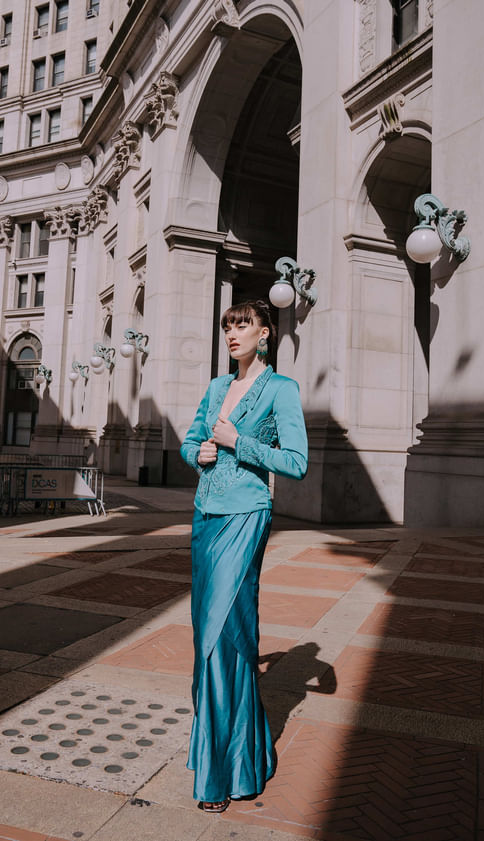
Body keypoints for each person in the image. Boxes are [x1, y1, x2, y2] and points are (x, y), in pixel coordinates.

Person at [180, 299, 308, 813]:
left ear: (264, 334)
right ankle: (240, 755)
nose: (232, 334)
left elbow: (296, 463)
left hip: (246, 515)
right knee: (214, 636)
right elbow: (190, 442)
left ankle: (220, 773)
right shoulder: (215, 388)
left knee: (219, 635)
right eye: (227, 327)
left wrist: (238, 443)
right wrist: (199, 453)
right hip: (204, 517)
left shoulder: (281, 390)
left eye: (243, 326)